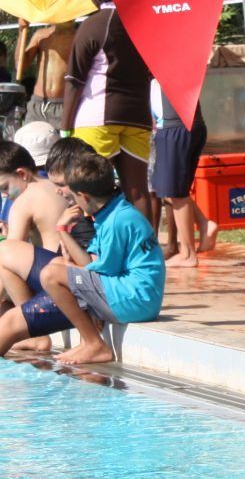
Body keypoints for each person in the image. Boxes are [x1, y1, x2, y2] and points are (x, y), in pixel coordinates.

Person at [0, 139, 95, 354]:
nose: (4, 195)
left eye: (4, 188)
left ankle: (2, 324)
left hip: (51, 278)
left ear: (22, 174)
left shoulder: (23, 202)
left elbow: (8, 257)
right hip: (63, 270)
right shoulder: (53, 186)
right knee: (2, 247)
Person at [31, 151, 166, 365]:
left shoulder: (116, 222)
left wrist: (70, 268)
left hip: (136, 300)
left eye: (74, 198)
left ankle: (94, 344)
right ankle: (89, 342)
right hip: (137, 295)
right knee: (56, 265)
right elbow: (90, 263)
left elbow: (97, 271)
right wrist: (63, 231)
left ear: (84, 197)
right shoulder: (113, 211)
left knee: (50, 275)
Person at [63, 0, 154, 208]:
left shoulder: (92, 26)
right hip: (138, 116)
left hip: (97, 118)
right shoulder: (144, 22)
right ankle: (145, 246)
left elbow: (74, 80)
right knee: (138, 191)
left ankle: (96, 245)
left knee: (89, 190)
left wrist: (64, 128)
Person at [150, 80, 216, 267]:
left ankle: (188, 254)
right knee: (174, 192)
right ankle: (190, 246)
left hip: (175, 127)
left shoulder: (166, 63)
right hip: (184, 125)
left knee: (175, 194)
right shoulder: (177, 65)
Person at [16, 17, 75, 128]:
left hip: (63, 106)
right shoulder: (41, 35)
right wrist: (22, 31)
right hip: (37, 104)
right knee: (29, 142)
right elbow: (20, 66)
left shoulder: (79, 37)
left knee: (60, 145)